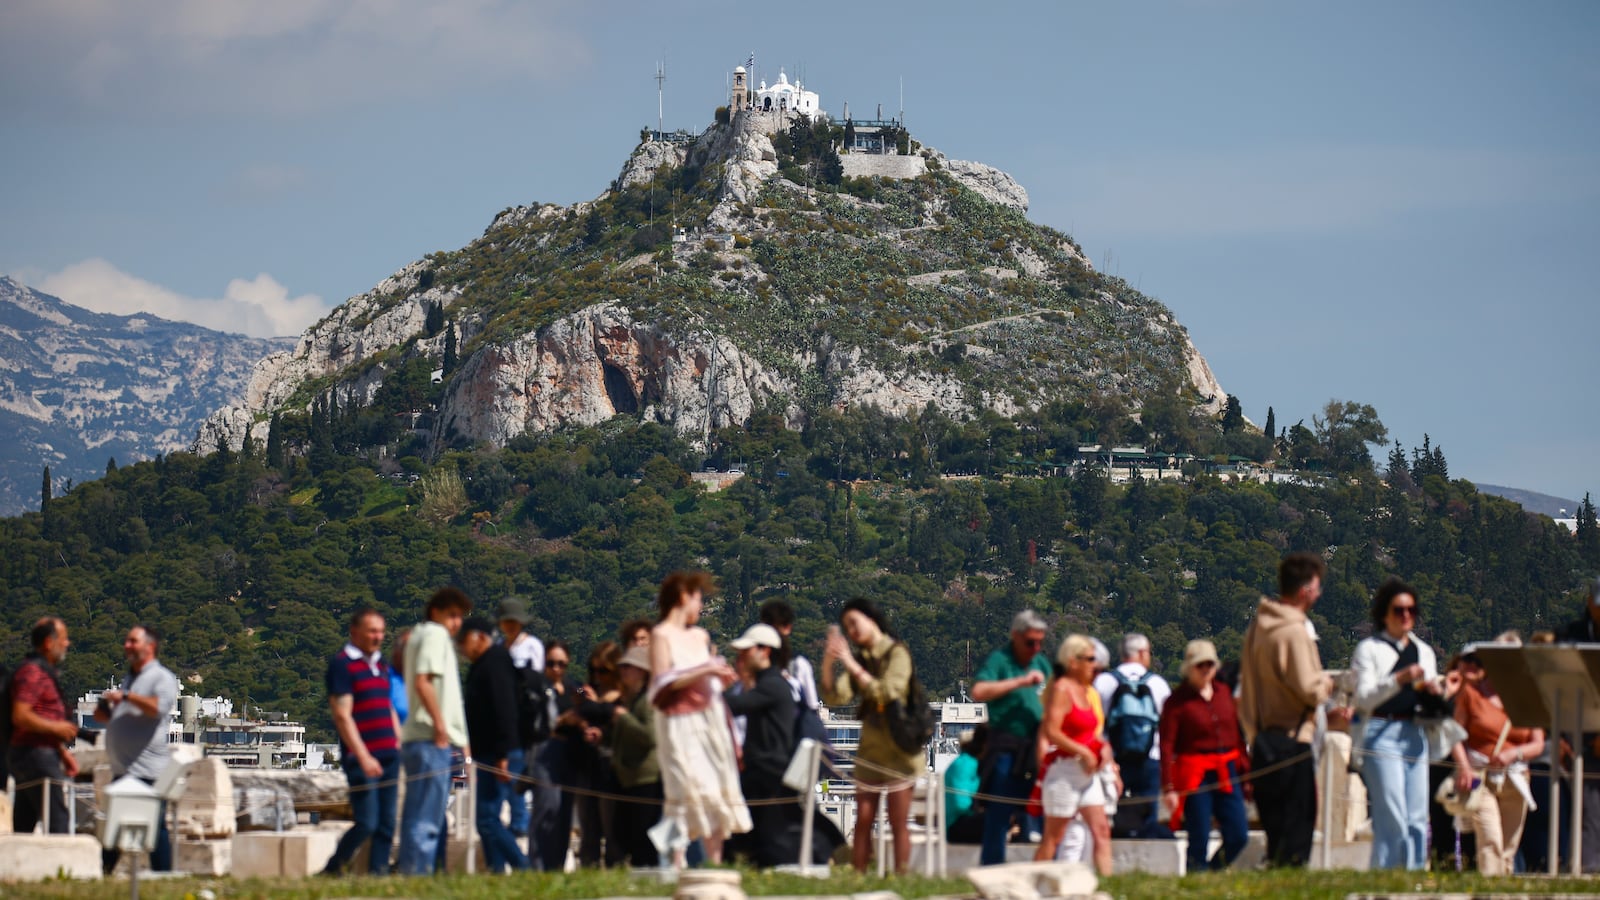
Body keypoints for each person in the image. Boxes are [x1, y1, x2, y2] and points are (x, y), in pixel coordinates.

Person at [649, 571, 751, 868]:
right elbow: (660, 683)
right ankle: (677, 863)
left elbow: (707, 684)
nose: (701, 606)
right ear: (683, 597)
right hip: (678, 723)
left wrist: (720, 678)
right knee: (683, 789)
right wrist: (706, 670)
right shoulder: (661, 635)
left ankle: (715, 865)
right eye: (698, 599)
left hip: (711, 719)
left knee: (715, 789)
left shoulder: (700, 636)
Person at [1238, 551, 1333, 868]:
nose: (1319, 594)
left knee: (1276, 831)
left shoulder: (1258, 628)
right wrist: (1327, 687)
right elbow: (1308, 687)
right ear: (1306, 590)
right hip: (1293, 738)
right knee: (1298, 825)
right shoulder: (1293, 631)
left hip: (1263, 738)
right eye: (1317, 587)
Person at [724, 622, 842, 867]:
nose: (742, 657)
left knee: (771, 836)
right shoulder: (771, 684)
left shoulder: (772, 685)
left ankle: (828, 851)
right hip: (765, 773)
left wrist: (708, 692)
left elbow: (734, 706)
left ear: (764, 651)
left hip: (768, 774)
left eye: (746, 651)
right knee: (759, 832)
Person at [822, 596, 921, 873]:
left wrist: (850, 664)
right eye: (847, 627)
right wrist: (830, 662)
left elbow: (887, 692)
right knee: (863, 820)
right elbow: (834, 696)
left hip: (900, 750)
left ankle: (901, 878)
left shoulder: (897, 653)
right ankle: (859, 877)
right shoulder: (863, 660)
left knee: (898, 821)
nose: (852, 632)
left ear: (871, 619)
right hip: (870, 750)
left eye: (854, 623)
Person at [1349, 577, 1444, 870]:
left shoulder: (1424, 652)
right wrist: (1398, 680)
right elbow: (1363, 698)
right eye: (1398, 610)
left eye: (1411, 610)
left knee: (1417, 815)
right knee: (1392, 813)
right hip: (1380, 730)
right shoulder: (1369, 650)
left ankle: (1413, 876)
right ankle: (1388, 874)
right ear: (1384, 613)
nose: (1405, 616)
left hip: (1415, 731)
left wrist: (1434, 694)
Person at [1451, 637, 1545, 875]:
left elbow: (1538, 744)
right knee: (1490, 839)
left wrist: (1515, 753)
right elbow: (1455, 735)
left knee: (1508, 849)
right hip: (1480, 776)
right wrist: (1463, 767)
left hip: (1516, 778)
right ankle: (1491, 891)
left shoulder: (1529, 697)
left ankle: (1502, 892)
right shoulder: (1472, 694)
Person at [396, 587, 472, 875]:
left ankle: (411, 874)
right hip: (430, 738)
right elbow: (422, 682)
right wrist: (442, 727)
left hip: (420, 737)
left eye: (460, 616)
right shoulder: (434, 635)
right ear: (435, 612)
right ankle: (418, 876)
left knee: (417, 813)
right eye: (451, 615)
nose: (456, 622)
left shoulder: (417, 635)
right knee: (428, 817)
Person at [320, 608, 401, 876]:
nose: (378, 637)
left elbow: (388, 706)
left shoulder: (381, 665)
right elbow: (342, 715)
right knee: (367, 821)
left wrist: (399, 741)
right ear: (355, 632)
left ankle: (378, 874)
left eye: (381, 631)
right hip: (361, 757)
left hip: (389, 752)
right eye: (372, 631)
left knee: (387, 823)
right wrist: (364, 756)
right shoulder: (342, 664)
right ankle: (334, 868)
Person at [970, 609, 1053, 865]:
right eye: (1030, 642)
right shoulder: (1000, 661)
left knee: (1047, 812)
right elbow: (979, 691)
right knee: (998, 814)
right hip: (1005, 747)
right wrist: (1019, 682)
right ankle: (992, 872)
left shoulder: (1041, 663)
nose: (1035, 648)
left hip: (1036, 748)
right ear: (1015, 636)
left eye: (1040, 642)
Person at [1159, 639, 1248, 873]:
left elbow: (1236, 734)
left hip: (1226, 769)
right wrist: (1168, 787)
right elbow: (1167, 745)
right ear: (1189, 668)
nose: (1206, 669)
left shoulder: (1223, 692)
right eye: (1200, 665)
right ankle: (1196, 882)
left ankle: (1212, 872)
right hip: (1195, 772)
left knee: (1238, 833)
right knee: (1198, 834)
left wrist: (1244, 770)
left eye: (1210, 664)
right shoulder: (1177, 702)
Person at [97, 624, 179, 872]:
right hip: (125, 766)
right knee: (118, 821)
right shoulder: (131, 678)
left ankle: (162, 874)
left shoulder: (161, 677)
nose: (127, 646)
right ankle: (107, 871)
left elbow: (158, 708)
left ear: (150, 647)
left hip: (147, 769)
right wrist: (105, 713)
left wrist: (125, 697)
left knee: (155, 826)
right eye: (127, 641)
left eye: (133, 641)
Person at [457, 616, 531, 873]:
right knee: (486, 819)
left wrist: (502, 755)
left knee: (488, 818)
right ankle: (495, 870)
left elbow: (504, 709)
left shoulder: (495, 661)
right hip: (488, 752)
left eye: (463, 641)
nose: (461, 648)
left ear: (478, 637)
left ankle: (523, 868)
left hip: (501, 752)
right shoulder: (482, 664)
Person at [1035, 635, 1114, 874]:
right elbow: (1051, 730)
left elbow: (1091, 731)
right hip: (1065, 771)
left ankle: (1107, 886)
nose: (1095, 664)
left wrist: (1104, 749)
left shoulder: (1086, 691)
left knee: (1101, 830)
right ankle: (1035, 881)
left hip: (1087, 773)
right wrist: (1082, 751)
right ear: (1073, 662)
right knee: (1053, 837)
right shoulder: (1061, 689)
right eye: (1090, 659)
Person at [1094, 632, 1171, 839]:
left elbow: (1095, 723)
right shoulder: (1157, 684)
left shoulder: (1104, 682)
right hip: (1149, 756)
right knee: (1148, 814)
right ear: (1142, 653)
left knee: (1110, 810)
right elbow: (1167, 725)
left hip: (1113, 758)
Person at [8, 617, 78, 834]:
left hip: (35, 752)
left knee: (24, 820)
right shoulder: (33, 673)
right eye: (64, 639)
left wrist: (61, 752)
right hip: (35, 755)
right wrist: (57, 729)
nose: (67, 644)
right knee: (57, 818)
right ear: (49, 642)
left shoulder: (42, 672)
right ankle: (62, 867)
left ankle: (18, 866)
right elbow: (21, 715)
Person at [529, 639, 584, 872]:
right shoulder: (536, 689)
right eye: (551, 663)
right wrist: (562, 720)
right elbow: (533, 722)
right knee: (547, 807)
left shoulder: (573, 688)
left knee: (564, 812)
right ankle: (538, 865)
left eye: (561, 664)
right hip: (544, 750)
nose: (556, 669)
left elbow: (585, 702)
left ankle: (556, 866)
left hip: (569, 754)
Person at [1560, 576, 1600, 872]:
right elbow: (1555, 692)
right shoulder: (1571, 637)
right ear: (1590, 603)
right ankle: (1586, 874)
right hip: (1581, 744)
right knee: (1587, 816)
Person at [610, 644, 662, 867]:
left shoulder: (648, 700)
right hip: (634, 776)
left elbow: (650, 736)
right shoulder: (635, 699)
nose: (622, 672)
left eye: (627, 667)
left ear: (641, 670)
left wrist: (623, 718)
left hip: (645, 778)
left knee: (641, 837)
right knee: (628, 834)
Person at [497, 596, 543, 837]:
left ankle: (522, 826)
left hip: (524, 720)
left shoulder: (532, 646)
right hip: (504, 721)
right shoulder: (499, 648)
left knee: (520, 777)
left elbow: (536, 681)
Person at [575, 641, 624, 868]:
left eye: (603, 670)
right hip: (586, 768)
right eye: (594, 670)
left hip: (612, 770)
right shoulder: (588, 691)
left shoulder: (622, 696)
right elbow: (573, 687)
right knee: (588, 831)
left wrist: (594, 706)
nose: (598, 675)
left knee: (613, 831)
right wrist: (583, 695)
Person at [945, 725, 987, 844]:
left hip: (968, 819)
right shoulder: (965, 764)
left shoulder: (975, 763)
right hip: (957, 825)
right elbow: (961, 804)